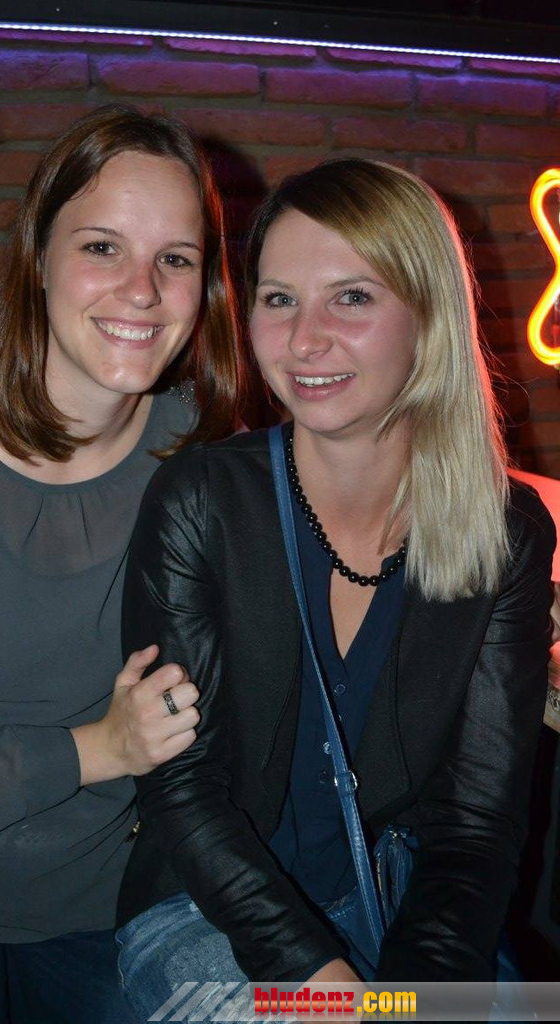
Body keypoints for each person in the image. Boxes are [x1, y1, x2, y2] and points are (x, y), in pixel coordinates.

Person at [115, 158, 556, 1010]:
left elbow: (473, 829)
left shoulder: (503, 533)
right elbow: (181, 786)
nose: (303, 339)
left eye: (350, 298)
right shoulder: (203, 501)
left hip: (402, 905)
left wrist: (416, 1003)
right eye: (278, 299)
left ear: (428, 317)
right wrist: (330, 994)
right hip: (210, 915)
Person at [0, 105, 244, 1023]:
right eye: (102, 247)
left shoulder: (198, 444)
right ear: (37, 258)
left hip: (115, 906)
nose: (142, 290)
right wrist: (95, 750)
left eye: (175, 258)